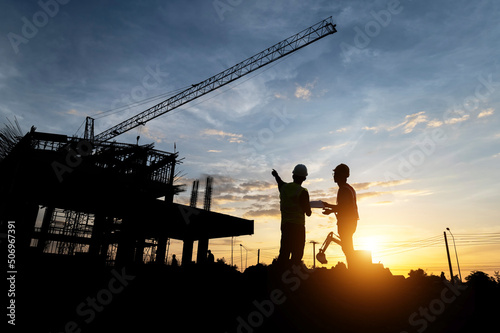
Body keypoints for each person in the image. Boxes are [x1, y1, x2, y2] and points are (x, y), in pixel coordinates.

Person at [272, 164, 312, 267]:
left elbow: (279, 181)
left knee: (284, 253)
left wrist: (275, 175)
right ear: (304, 178)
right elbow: (308, 213)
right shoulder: (303, 192)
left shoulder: (284, 188)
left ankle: (280, 277)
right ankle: (293, 278)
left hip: (285, 226)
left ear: (293, 175)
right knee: (297, 255)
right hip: (298, 227)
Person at [322, 163, 359, 266]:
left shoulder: (344, 189)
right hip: (350, 221)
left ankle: (354, 271)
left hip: (347, 222)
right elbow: (344, 207)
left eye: (336, 174)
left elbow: (343, 207)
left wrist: (329, 207)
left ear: (342, 175)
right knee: (347, 248)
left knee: (348, 249)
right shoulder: (347, 188)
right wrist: (330, 207)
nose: (334, 176)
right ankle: (353, 269)